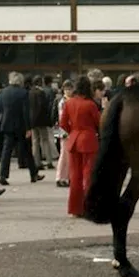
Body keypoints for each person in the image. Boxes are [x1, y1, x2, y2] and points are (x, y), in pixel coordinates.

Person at [59, 76, 101, 218]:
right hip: (88, 140)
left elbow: (63, 123)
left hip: (73, 140)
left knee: (75, 177)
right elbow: (99, 123)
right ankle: (89, 207)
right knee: (88, 176)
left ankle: (75, 209)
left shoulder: (69, 103)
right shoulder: (90, 104)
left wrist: (73, 132)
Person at [0, 72, 38, 185]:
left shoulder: (4, 92)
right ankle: (33, 174)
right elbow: (25, 111)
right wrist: (28, 128)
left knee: (6, 151)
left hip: (7, 124)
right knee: (27, 150)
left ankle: (3, 175)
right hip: (21, 125)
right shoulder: (24, 93)